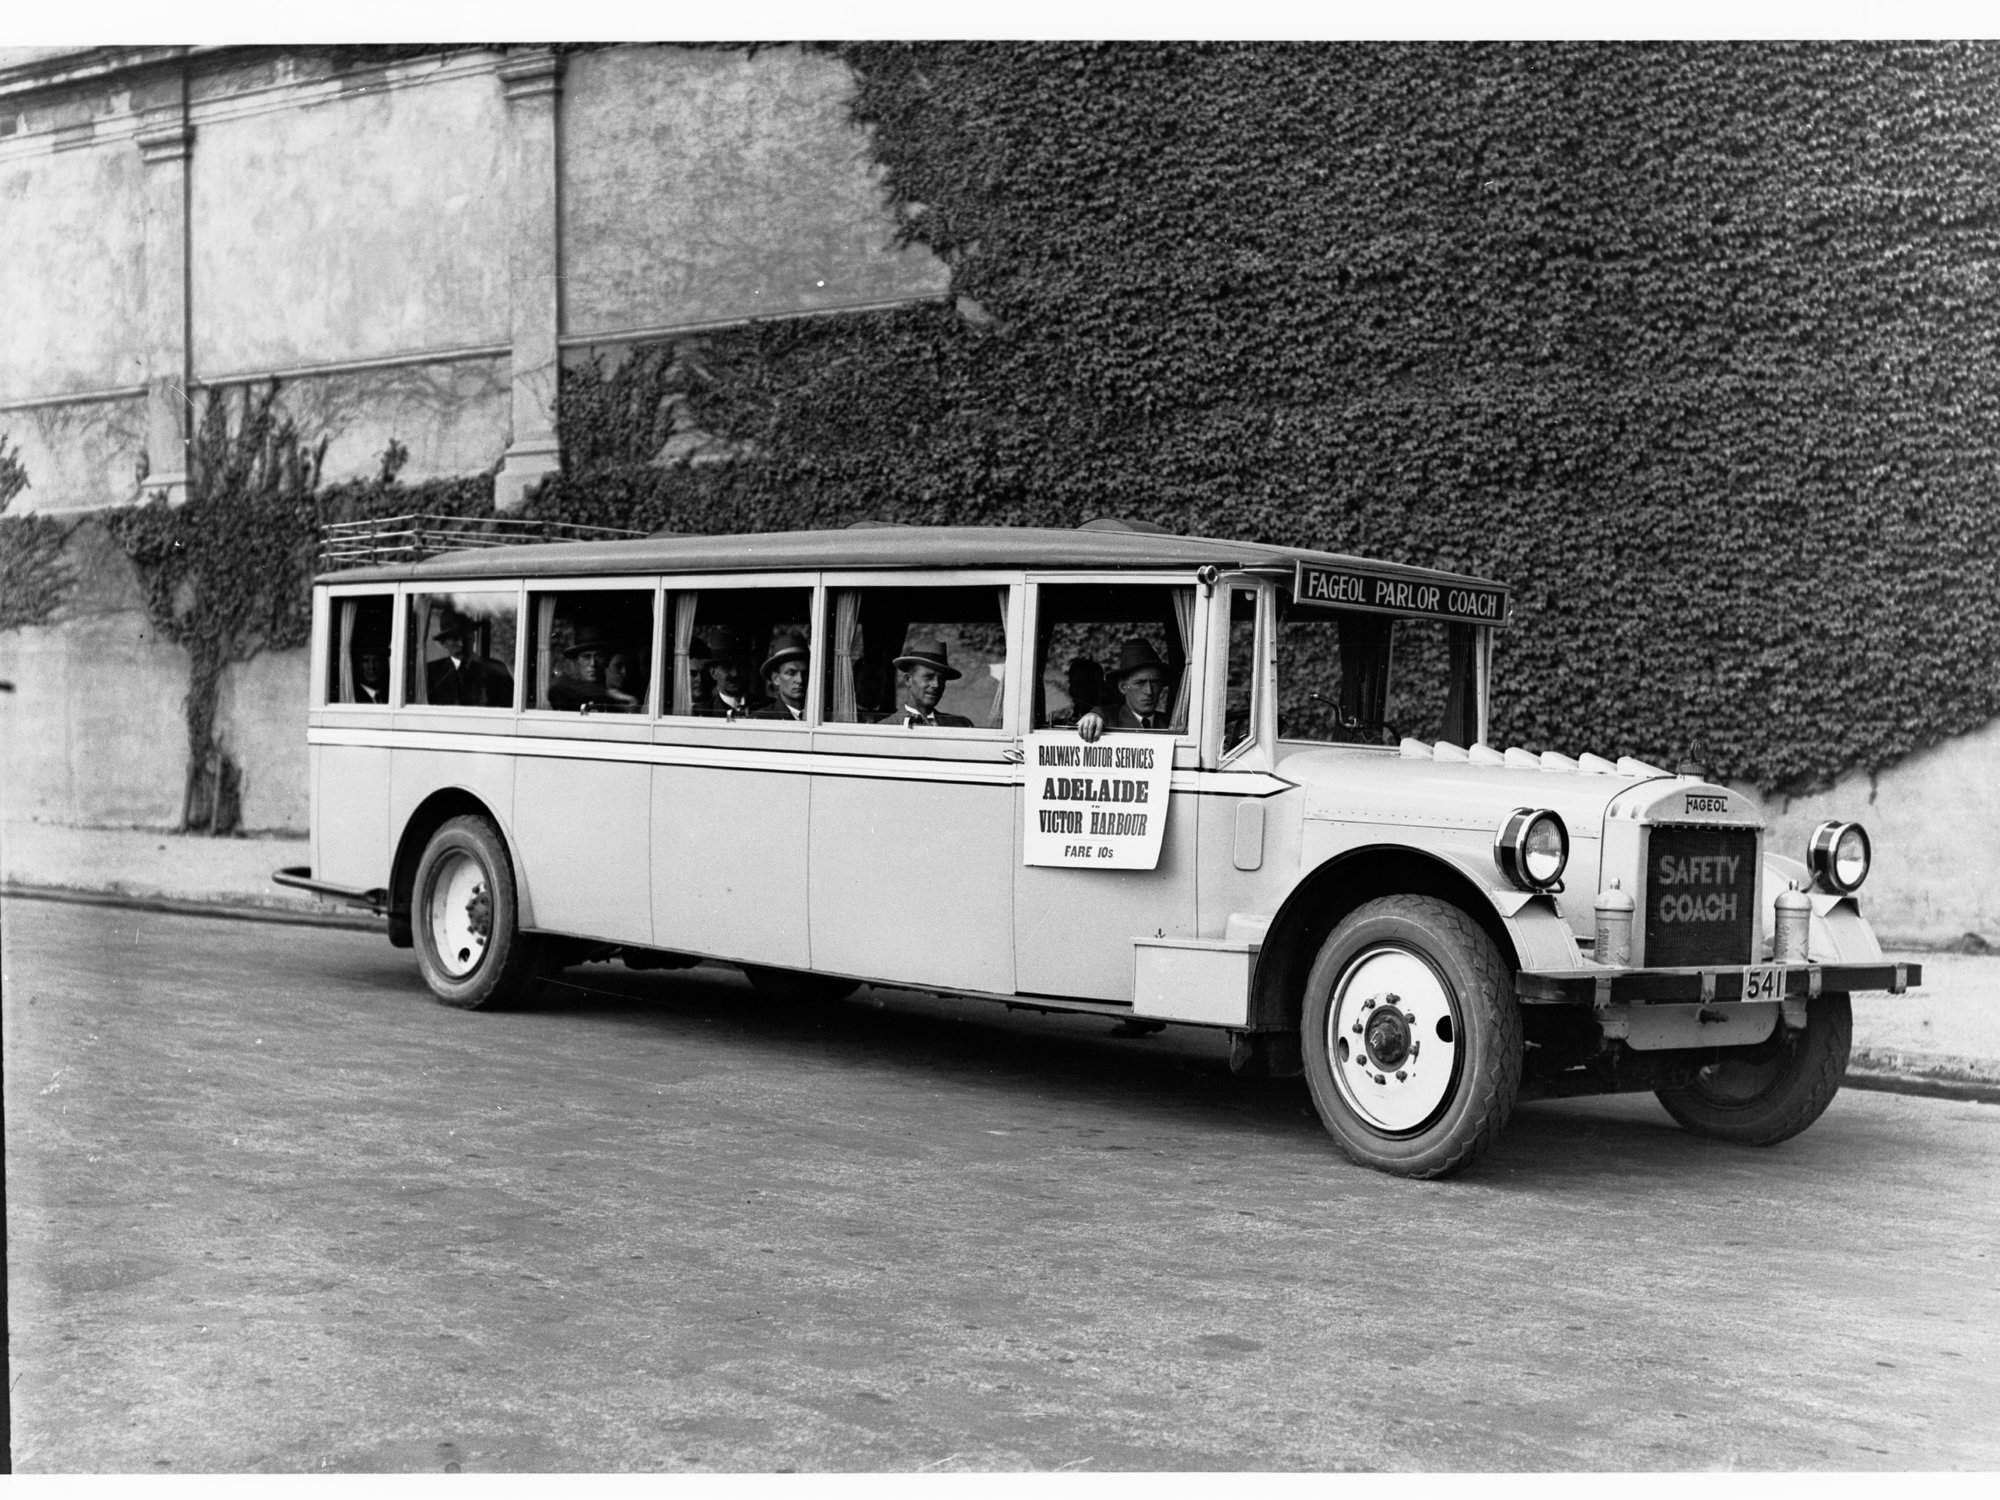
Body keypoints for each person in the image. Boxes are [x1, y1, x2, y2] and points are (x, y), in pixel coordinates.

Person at [1074, 638, 1175, 741]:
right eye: (1140, 683)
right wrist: (1091, 718)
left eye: (1155, 682)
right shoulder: (1109, 718)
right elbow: (1095, 716)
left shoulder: (1171, 723)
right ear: (1123, 687)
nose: (1149, 691)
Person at [427, 608, 513, 707]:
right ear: (443, 643)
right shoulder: (431, 672)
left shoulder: (497, 670)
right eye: (454, 637)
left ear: (473, 637)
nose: (461, 643)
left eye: (465, 635)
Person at [877, 640, 973, 727]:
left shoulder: (959, 726)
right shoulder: (885, 728)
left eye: (941, 679)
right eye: (929, 677)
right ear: (908, 680)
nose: (936, 685)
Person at [548, 622, 639, 712]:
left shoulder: (613, 695)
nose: (592, 663)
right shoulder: (567, 689)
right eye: (586, 657)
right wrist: (609, 694)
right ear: (577, 662)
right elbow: (556, 686)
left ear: (606, 661)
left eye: (598, 656)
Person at [691, 625, 760, 718]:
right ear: (713, 673)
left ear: (749, 668)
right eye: (727, 667)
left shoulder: (770, 708)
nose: (735, 674)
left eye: (741, 665)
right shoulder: (700, 713)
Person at [750, 634, 810, 721]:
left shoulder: (822, 717)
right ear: (776, 678)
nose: (800, 680)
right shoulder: (762, 719)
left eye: (805, 673)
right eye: (791, 673)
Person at [1048, 655, 1105, 728]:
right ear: (1071, 690)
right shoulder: (1059, 726)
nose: (1083, 690)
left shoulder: (1115, 722)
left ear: (1103, 689)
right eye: (1078, 684)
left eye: (1090, 684)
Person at [349, 618, 391, 705]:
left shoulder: (389, 695)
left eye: (376, 660)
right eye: (365, 661)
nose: (372, 666)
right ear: (356, 665)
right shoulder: (352, 698)